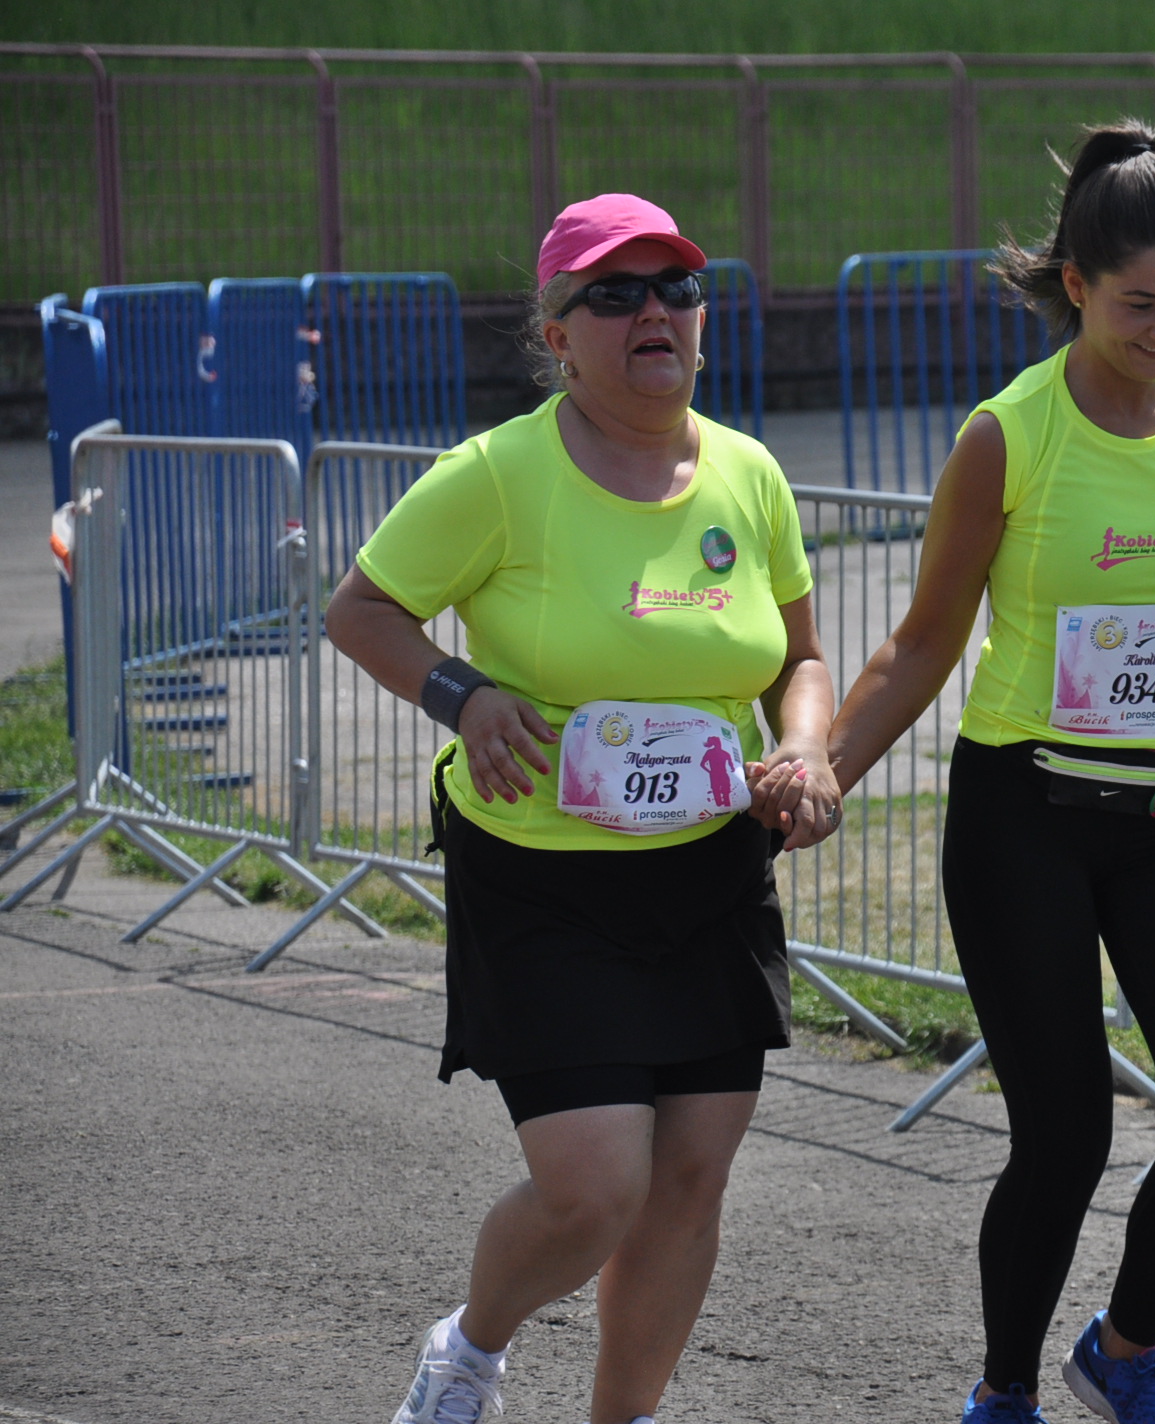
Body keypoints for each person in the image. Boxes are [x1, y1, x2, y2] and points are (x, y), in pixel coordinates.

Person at [826, 120, 1155, 1424]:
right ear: (1074, 286)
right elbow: (921, 641)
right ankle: (1004, 1392)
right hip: (1025, 814)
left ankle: (1124, 1348)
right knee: (1066, 1135)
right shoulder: (1007, 436)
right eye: (1139, 304)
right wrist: (820, 773)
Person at [324, 193, 841, 1424]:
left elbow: (800, 660)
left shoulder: (749, 474)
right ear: (557, 334)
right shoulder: (497, 476)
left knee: (689, 1181)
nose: (652, 310)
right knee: (595, 1185)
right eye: (613, 294)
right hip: (541, 874)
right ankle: (468, 1350)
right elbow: (361, 611)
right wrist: (461, 695)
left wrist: (804, 748)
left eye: (675, 288)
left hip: (709, 869)